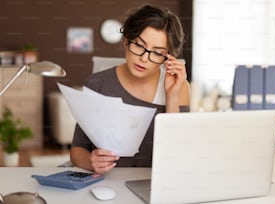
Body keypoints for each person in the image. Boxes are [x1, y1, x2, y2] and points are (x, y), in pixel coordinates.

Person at [70, 4, 190, 174]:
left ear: (167, 58)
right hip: (106, 184)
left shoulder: (179, 88)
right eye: (139, 46)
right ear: (126, 40)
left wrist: (172, 96)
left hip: (154, 186)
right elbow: (77, 150)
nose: (144, 59)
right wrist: (91, 162)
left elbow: (177, 156)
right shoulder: (97, 84)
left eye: (157, 53)